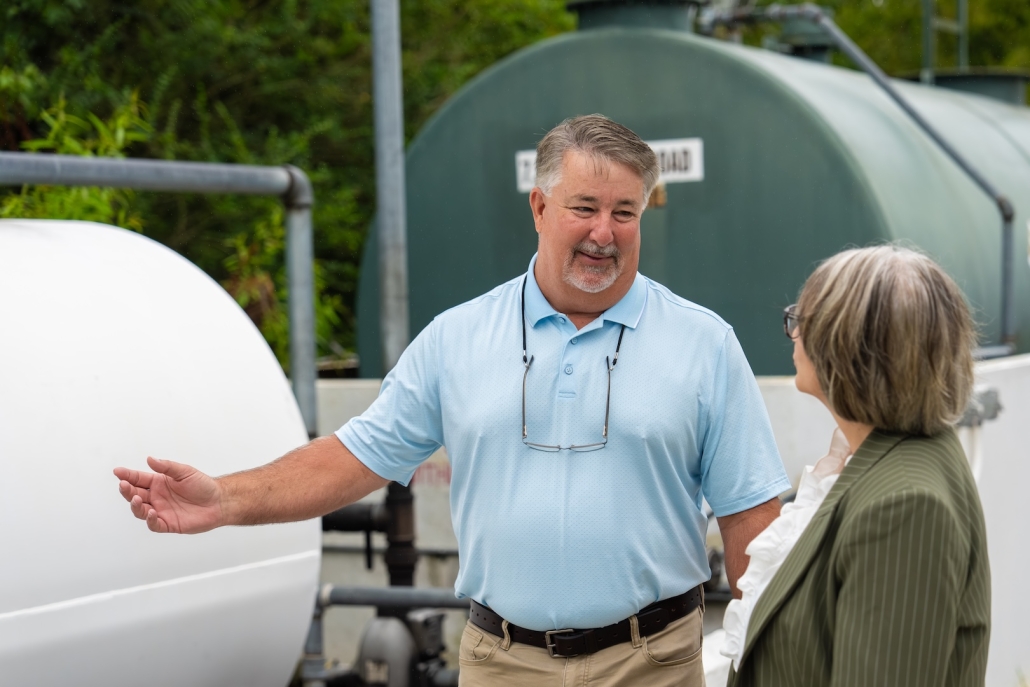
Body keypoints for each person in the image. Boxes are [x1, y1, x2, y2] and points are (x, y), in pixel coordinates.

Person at [115, 114, 791, 686]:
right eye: (584, 208)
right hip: (500, 664)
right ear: (539, 206)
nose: (603, 234)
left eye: (625, 213)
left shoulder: (704, 343)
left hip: (655, 664)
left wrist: (767, 666)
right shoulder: (458, 337)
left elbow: (751, 520)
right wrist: (226, 498)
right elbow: (354, 457)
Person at [724, 245, 991, 687]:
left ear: (848, 348)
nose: (792, 335)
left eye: (801, 321)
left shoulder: (904, 506)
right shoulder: (885, 455)